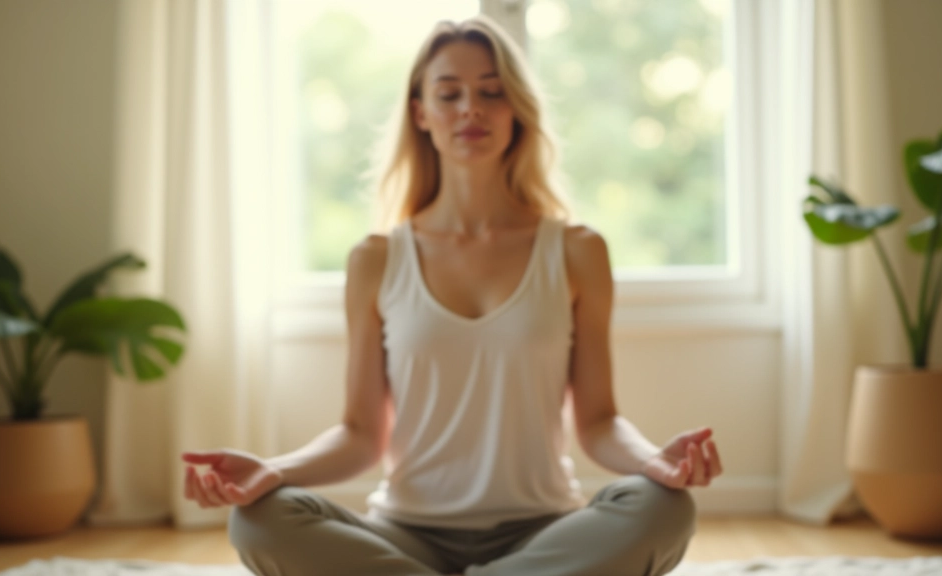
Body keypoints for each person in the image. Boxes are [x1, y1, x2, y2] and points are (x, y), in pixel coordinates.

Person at [181, 14, 722, 576]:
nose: (471, 109)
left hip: (543, 533)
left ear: (516, 111)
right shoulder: (376, 259)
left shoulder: (577, 251)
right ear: (421, 112)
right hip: (406, 536)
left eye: (492, 92)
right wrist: (274, 470)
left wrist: (654, 461)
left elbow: (599, 422)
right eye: (449, 94)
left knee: (664, 508)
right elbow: (361, 436)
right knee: (259, 519)